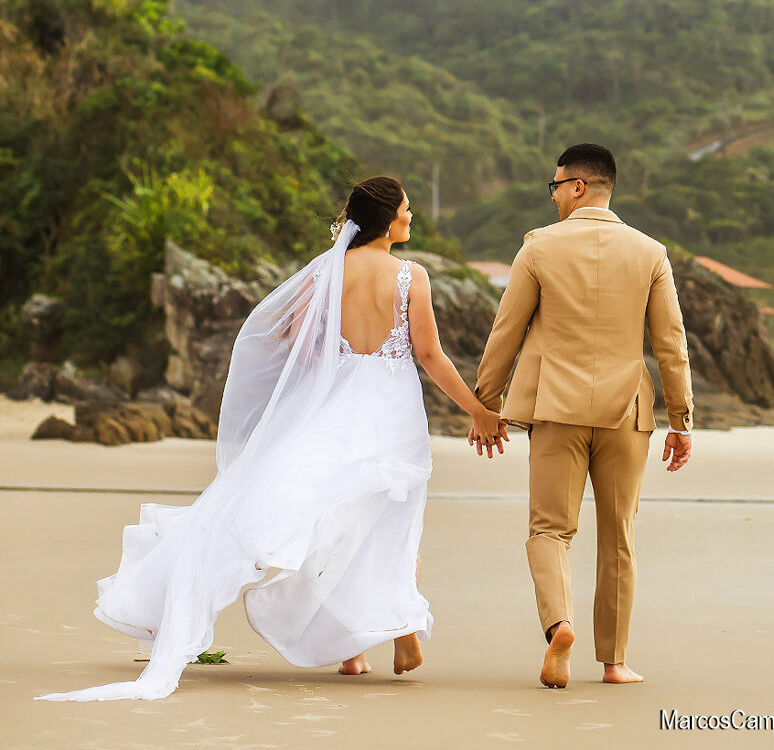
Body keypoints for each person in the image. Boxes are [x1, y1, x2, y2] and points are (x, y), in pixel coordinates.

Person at [38, 177, 506, 702]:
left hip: (337, 403)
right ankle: (397, 625)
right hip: (390, 408)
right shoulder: (410, 276)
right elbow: (430, 355)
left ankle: (354, 652)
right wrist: (478, 411)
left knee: (333, 516)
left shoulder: (327, 271)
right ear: (387, 219)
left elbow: (290, 336)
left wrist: (325, 370)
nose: (411, 215)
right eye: (406, 207)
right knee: (389, 518)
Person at [472, 143, 694, 690]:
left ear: (578, 186)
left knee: (549, 529)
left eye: (555, 186)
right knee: (619, 536)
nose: (552, 198)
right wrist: (681, 420)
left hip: (556, 407)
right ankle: (614, 663)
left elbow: (506, 331)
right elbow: (671, 344)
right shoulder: (651, 253)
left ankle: (560, 625)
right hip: (627, 412)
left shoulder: (539, 247)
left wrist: (486, 405)